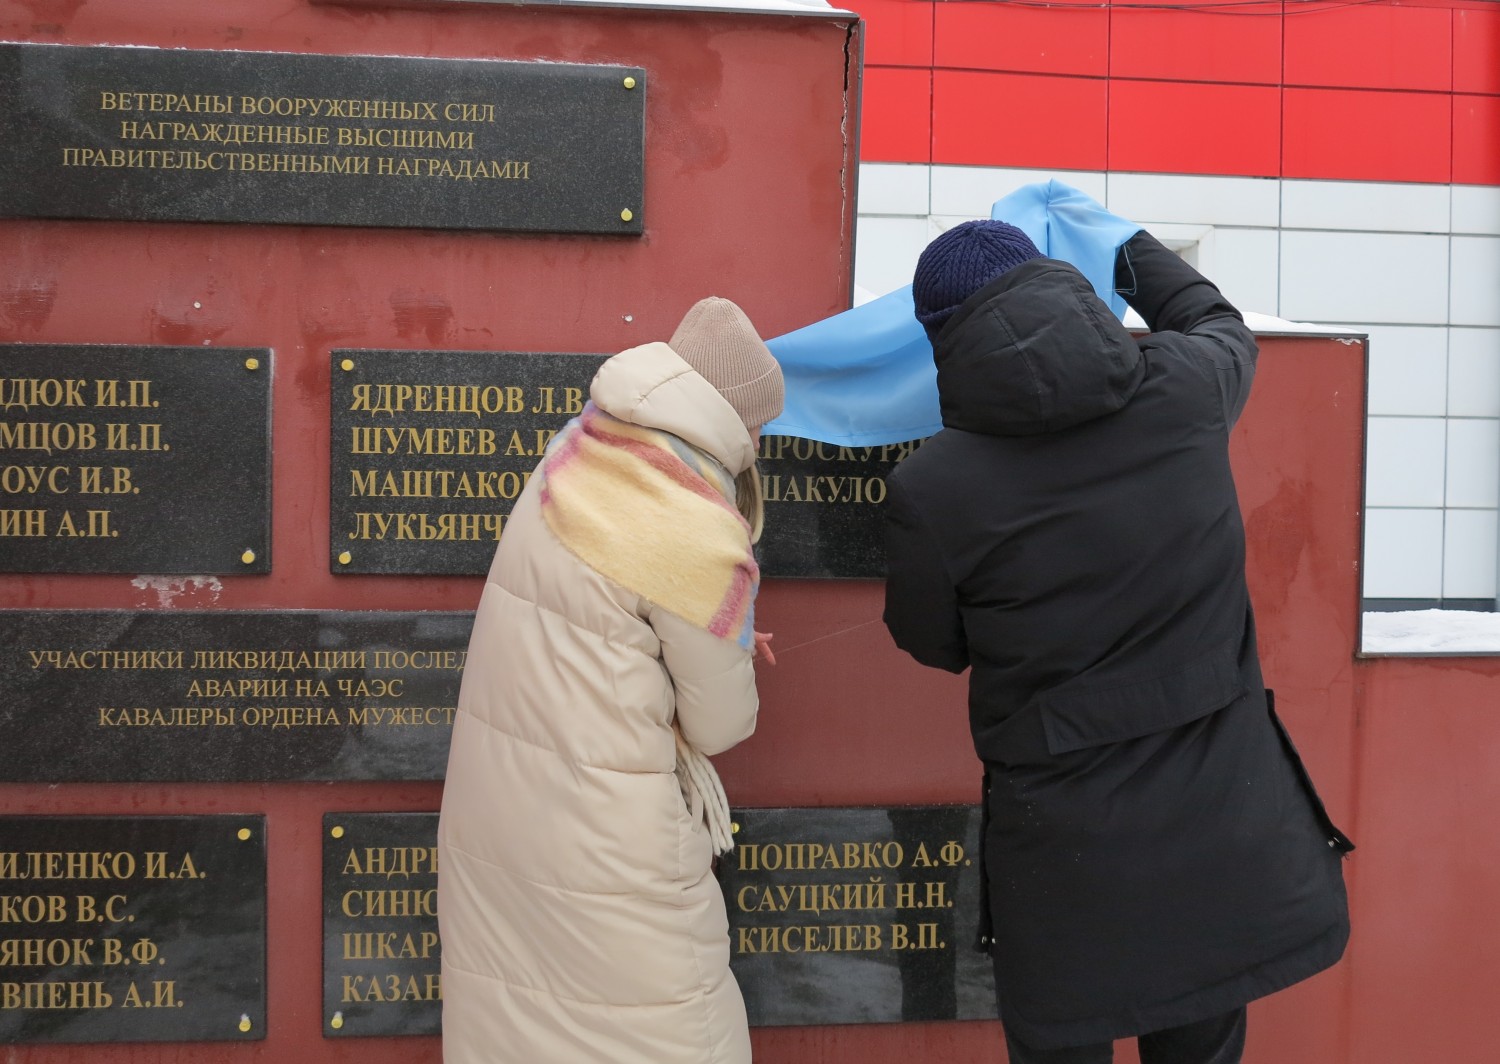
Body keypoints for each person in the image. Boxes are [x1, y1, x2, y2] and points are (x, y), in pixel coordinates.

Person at [881, 220, 1353, 1064]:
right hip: (1217, 822)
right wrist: (1126, 245)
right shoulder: (1185, 390)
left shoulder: (933, 487)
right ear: (1055, 284)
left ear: (941, 339)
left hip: (1064, 856)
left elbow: (932, 644)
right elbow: (1217, 320)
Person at [437, 296, 783, 1064]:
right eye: (760, 425)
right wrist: (724, 637)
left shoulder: (578, 448)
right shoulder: (693, 521)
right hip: (608, 835)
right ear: (732, 417)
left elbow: (603, 615)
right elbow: (722, 725)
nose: (759, 443)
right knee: (670, 1031)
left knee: (520, 1022)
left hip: (503, 808)